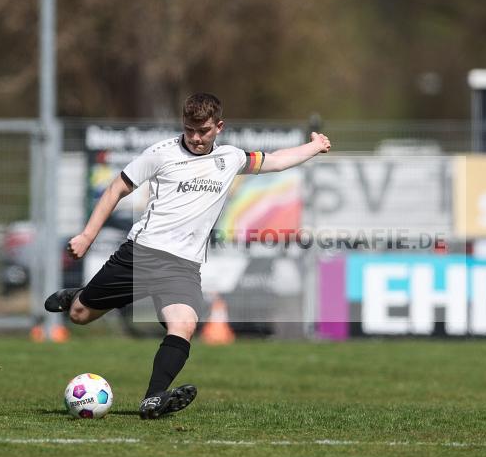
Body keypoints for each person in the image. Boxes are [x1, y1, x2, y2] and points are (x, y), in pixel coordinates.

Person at [44, 93, 331, 419]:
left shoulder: (230, 158)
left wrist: (314, 147)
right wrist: (87, 235)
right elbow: (116, 189)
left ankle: (152, 400)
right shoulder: (160, 154)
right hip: (142, 255)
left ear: (219, 127)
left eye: (203, 131)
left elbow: (276, 160)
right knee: (81, 316)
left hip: (183, 266)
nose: (195, 138)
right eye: (189, 130)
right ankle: (78, 297)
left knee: (184, 324)